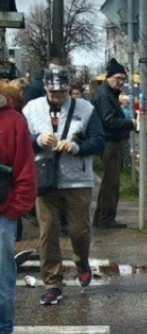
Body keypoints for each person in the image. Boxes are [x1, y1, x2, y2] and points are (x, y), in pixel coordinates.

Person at [22, 67, 104, 306]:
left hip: (77, 179)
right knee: (48, 231)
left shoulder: (86, 109)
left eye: (62, 91)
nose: (57, 95)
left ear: (69, 87)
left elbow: (99, 141)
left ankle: (81, 259)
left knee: (79, 230)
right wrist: (38, 140)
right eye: (53, 91)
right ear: (45, 88)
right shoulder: (31, 109)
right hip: (44, 178)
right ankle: (52, 282)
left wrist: (76, 147)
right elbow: (21, 139)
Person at [0, 79, 37, 334]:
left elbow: (25, 169)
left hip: (2, 212)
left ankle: (3, 330)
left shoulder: (13, 120)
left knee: (1, 277)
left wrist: (13, 208)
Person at [91, 58, 134, 228]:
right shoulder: (104, 95)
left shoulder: (106, 93)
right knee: (111, 182)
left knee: (110, 181)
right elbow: (109, 121)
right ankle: (105, 218)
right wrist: (130, 123)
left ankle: (102, 217)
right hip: (109, 141)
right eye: (118, 78)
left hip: (109, 141)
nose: (121, 83)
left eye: (123, 79)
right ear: (109, 77)